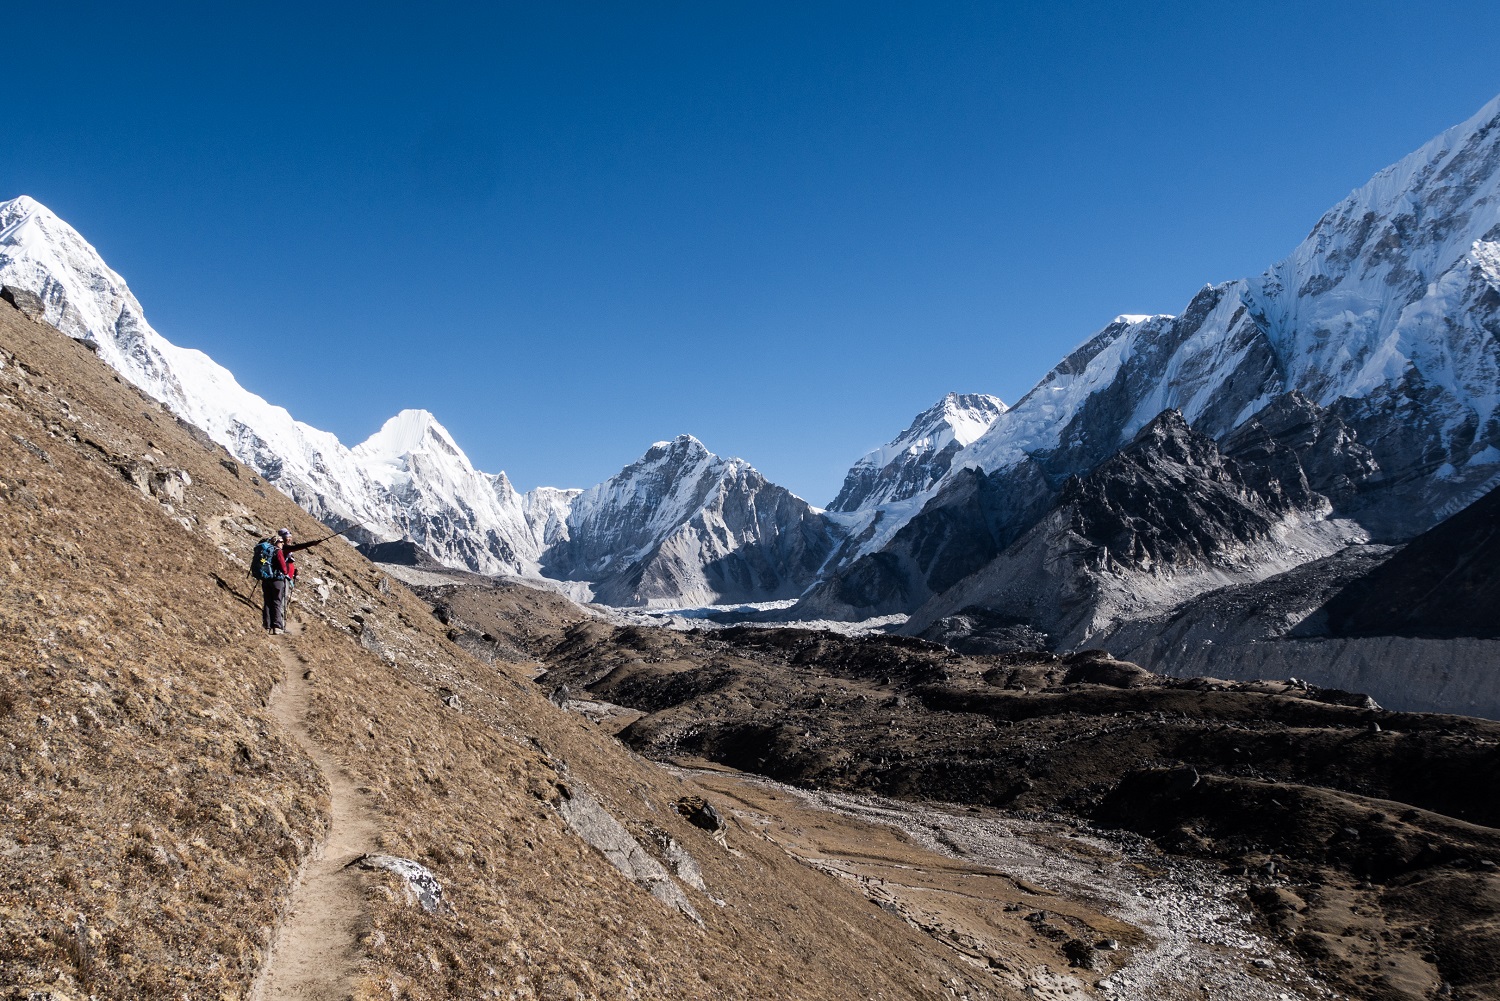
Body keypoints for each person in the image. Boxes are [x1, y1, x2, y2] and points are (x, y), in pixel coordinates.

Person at [262, 536, 290, 634]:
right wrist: (286, 572)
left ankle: (267, 625)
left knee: (267, 602)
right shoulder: (278, 552)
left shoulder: (265, 552)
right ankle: (276, 626)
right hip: (277, 580)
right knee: (277, 602)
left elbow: (262, 563)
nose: (282, 543)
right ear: (276, 542)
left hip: (266, 579)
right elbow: (283, 567)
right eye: (281, 541)